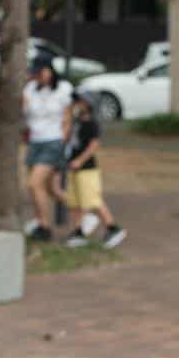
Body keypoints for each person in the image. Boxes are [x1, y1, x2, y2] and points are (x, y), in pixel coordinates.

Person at [62, 90, 127, 249]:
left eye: (80, 101)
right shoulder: (77, 121)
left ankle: (113, 228)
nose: (77, 103)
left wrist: (80, 160)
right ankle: (78, 231)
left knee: (93, 200)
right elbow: (66, 136)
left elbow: (93, 145)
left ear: (89, 104)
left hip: (87, 169)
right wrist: (68, 115)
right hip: (73, 167)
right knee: (76, 202)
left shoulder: (92, 123)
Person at [22, 55, 73, 242]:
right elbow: (25, 114)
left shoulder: (63, 89)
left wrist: (63, 143)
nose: (39, 76)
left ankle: (45, 226)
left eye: (41, 72)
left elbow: (68, 119)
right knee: (51, 189)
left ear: (50, 70)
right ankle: (84, 213)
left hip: (53, 141)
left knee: (34, 183)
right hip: (35, 141)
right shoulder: (30, 90)